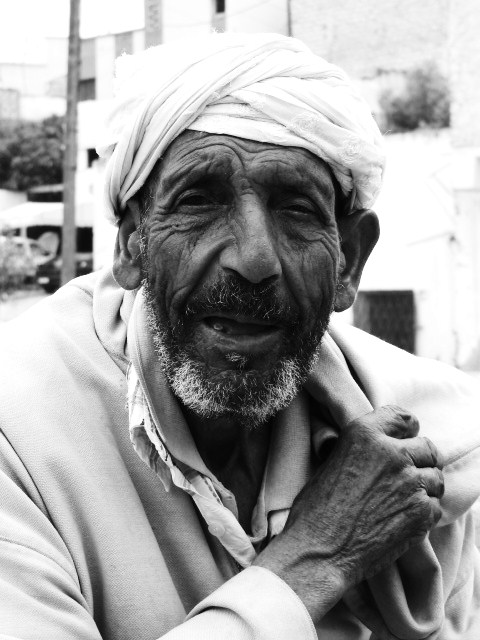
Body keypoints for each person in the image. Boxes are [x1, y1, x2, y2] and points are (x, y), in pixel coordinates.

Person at [0, 32, 479, 640]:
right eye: (199, 200)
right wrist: (316, 558)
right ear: (129, 243)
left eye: (297, 209)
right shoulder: (18, 435)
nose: (255, 259)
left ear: (349, 263)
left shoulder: (433, 445)